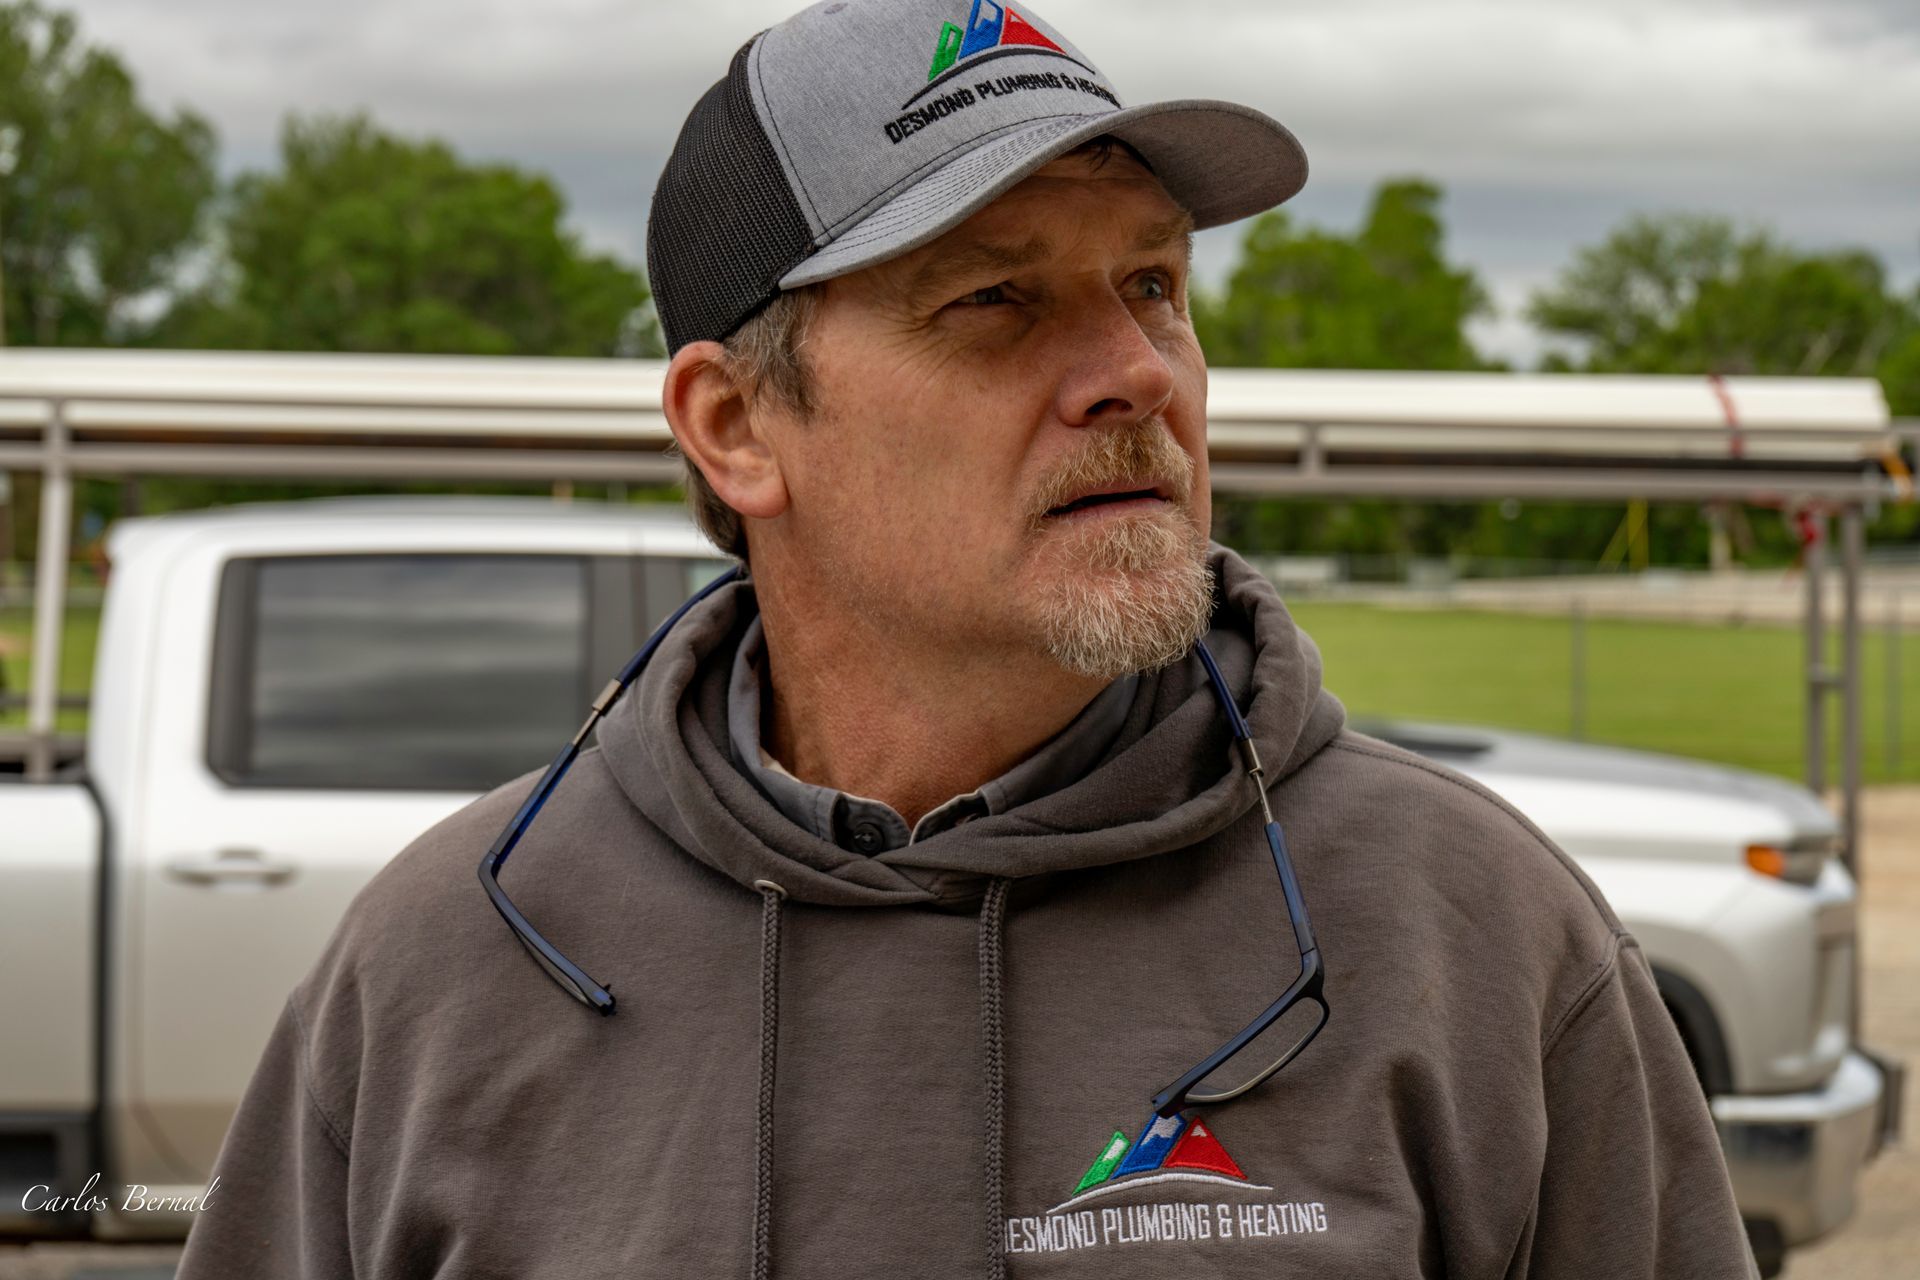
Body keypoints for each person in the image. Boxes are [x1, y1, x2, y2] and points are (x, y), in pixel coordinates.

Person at [176, 1, 1759, 1276]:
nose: (1137, 371)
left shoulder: (1473, 938)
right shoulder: (452, 967)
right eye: (996, 301)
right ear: (735, 426)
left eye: (1154, 282)